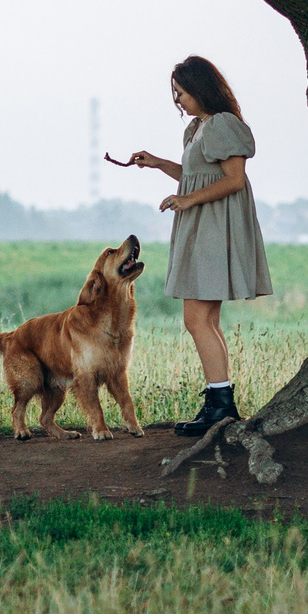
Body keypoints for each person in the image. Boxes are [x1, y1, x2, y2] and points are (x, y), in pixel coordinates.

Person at [120, 55, 272, 436]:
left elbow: (234, 179)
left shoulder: (222, 124)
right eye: (175, 94)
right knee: (205, 320)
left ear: (202, 88)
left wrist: (186, 201)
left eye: (182, 93)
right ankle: (220, 403)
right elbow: (196, 173)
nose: (178, 101)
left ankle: (220, 406)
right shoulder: (198, 128)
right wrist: (158, 164)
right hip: (201, 225)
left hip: (214, 227)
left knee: (196, 319)